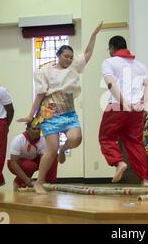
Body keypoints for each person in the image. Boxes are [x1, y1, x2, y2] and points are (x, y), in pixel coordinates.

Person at [18, 22, 102, 194]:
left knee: (76, 138)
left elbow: (87, 53)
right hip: (49, 113)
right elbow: (40, 95)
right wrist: (30, 115)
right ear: (59, 55)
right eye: (66, 56)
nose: (69, 59)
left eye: (71, 57)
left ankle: (64, 149)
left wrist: (94, 34)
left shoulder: (74, 67)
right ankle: (39, 183)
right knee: (51, 149)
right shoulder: (46, 72)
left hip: (69, 112)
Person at [99, 35, 148, 187]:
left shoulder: (109, 62)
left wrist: (123, 102)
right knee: (135, 143)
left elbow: (111, 84)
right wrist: (143, 102)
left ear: (111, 49)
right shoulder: (140, 65)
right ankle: (144, 179)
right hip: (136, 109)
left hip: (117, 106)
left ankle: (118, 163)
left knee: (106, 138)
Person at [7, 123, 58, 191]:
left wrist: (41, 180)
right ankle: (18, 183)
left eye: (38, 129)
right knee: (30, 165)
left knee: (52, 156)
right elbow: (13, 162)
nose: (37, 131)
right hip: (15, 164)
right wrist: (26, 180)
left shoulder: (43, 140)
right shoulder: (18, 140)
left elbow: (44, 161)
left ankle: (47, 183)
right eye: (34, 129)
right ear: (27, 129)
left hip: (32, 161)